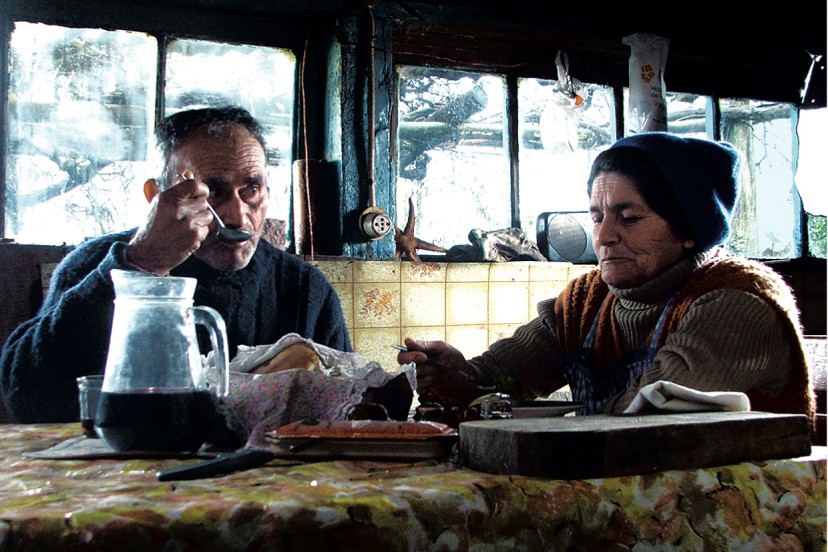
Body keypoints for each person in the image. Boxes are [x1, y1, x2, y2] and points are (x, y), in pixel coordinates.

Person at [399, 132, 816, 433]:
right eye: (597, 216)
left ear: (690, 229)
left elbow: (644, 414)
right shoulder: (586, 301)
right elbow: (503, 375)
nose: (604, 236)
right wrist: (460, 377)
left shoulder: (737, 302)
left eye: (628, 217)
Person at [1, 106, 352, 423]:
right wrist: (142, 265)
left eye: (251, 188)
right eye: (212, 191)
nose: (236, 215)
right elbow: (26, 397)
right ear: (157, 196)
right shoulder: (99, 265)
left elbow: (347, 405)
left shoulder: (305, 289)